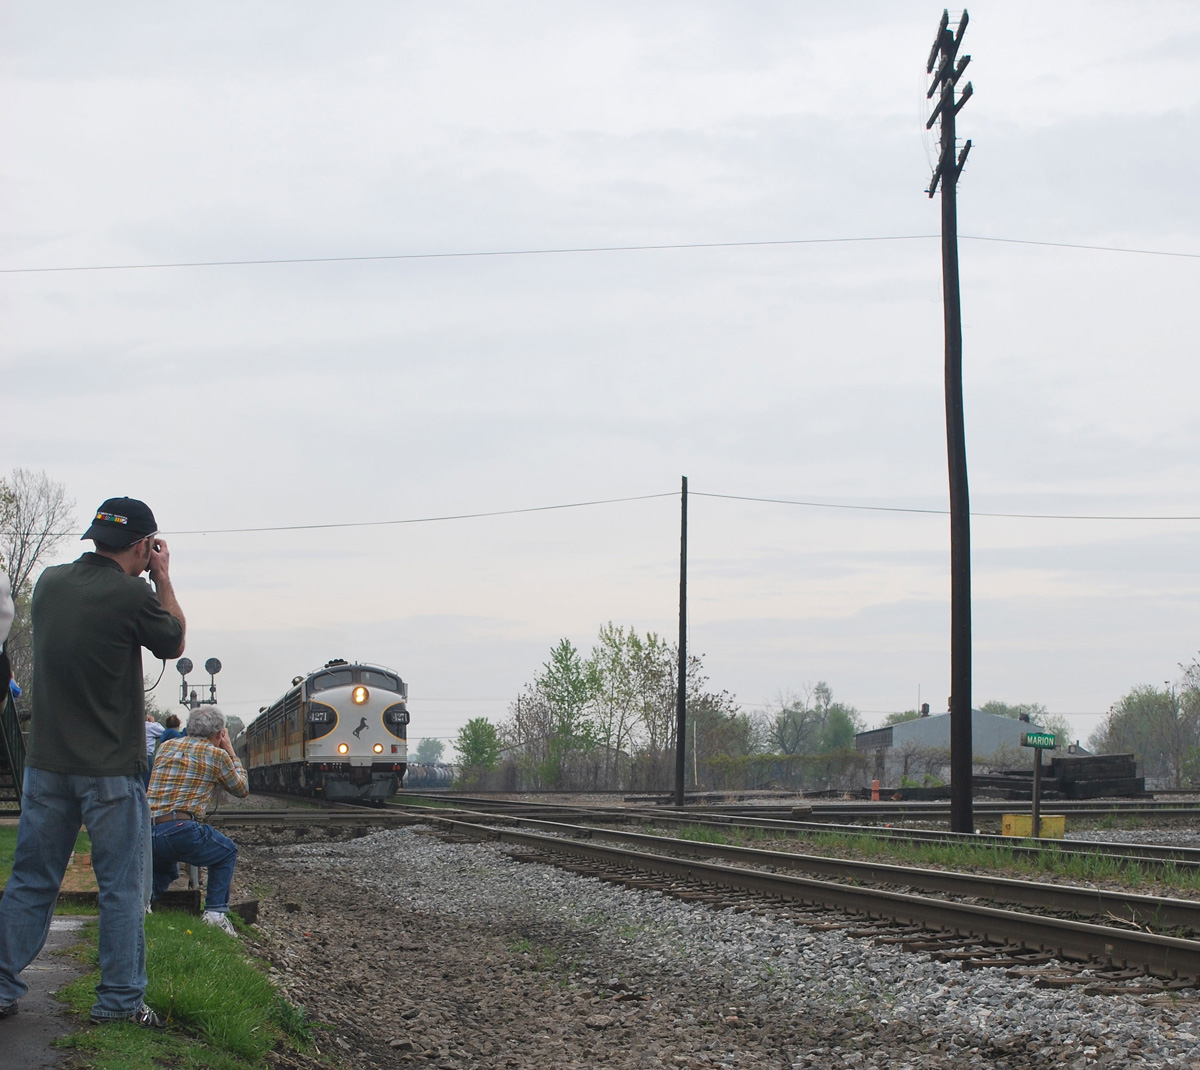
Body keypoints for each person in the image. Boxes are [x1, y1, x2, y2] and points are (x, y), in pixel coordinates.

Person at [0, 497, 185, 1027]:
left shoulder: (49, 584)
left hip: (48, 763)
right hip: (109, 770)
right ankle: (120, 1003)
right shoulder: (133, 596)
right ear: (143, 546)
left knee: (32, 879)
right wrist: (163, 578)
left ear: (94, 537)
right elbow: (172, 642)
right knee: (121, 888)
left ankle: (1, 985)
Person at [148, 705, 248, 935]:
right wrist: (231, 751)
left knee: (166, 870)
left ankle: (139, 906)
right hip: (180, 829)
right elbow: (242, 789)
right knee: (226, 851)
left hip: (147, 828)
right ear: (219, 733)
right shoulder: (217, 754)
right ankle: (215, 914)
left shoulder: (166, 747)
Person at [144, 713, 165, 788]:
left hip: (132, 756)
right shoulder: (149, 726)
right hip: (147, 755)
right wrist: (153, 722)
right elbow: (162, 731)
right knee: (146, 782)